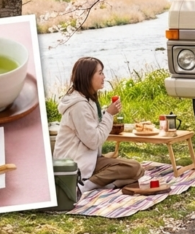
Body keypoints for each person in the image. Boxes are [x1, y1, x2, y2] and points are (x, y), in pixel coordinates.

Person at [53, 57, 144, 191]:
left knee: (139, 170)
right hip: (74, 163)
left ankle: (101, 185)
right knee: (134, 168)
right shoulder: (78, 106)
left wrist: (104, 113)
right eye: (100, 73)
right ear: (87, 76)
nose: (104, 76)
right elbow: (94, 141)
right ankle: (84, 186)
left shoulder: (87, 99)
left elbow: (91, 126)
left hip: (89, 160)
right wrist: (109, 115)